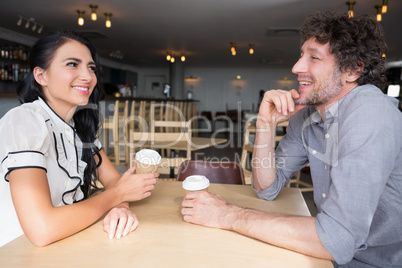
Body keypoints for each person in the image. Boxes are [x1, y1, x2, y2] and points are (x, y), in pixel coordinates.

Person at [181, 11, 402, 267]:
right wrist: (265, 124)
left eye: (314, 58)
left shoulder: (370, 113)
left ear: (352, 70)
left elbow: (337, 239)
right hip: (332, 255)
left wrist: (228, 215)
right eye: (301, 55)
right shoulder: (308, 118)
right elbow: (267, 188)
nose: (296, 68)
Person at [0, 30, 159, 247]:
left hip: (69, 242)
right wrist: (118, 195)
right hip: (17, 250)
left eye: (91, 67)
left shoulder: (78, 127)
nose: (88, 76)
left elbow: (114, 181)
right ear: (41, 76)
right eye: (72, 64)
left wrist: (120, 207)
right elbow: (42, 230)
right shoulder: (24, 121)